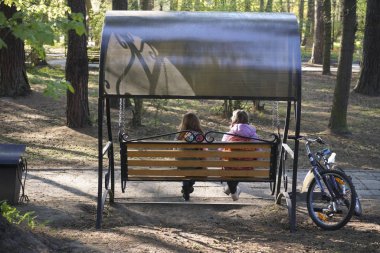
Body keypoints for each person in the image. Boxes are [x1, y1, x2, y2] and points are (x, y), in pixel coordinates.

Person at [221, 109, 259, 201]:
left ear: (234, 119)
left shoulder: (229, 133)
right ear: (247, 119)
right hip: (247, 167)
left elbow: (220, 149)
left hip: (230, 167)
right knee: (242, 163)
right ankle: (232, 190)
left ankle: (232, 190)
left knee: (231, 164)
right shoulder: (253, 133)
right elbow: (258, 150)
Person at [176, 112, 204, 201]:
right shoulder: (199, 135)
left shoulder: (180, 135)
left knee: (185, 169)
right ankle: (189, 185)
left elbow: (174, 148)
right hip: (194, 165)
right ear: (197, 122)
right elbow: (203, 151)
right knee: (196, 166)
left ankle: (185, 186)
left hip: (180, 164)